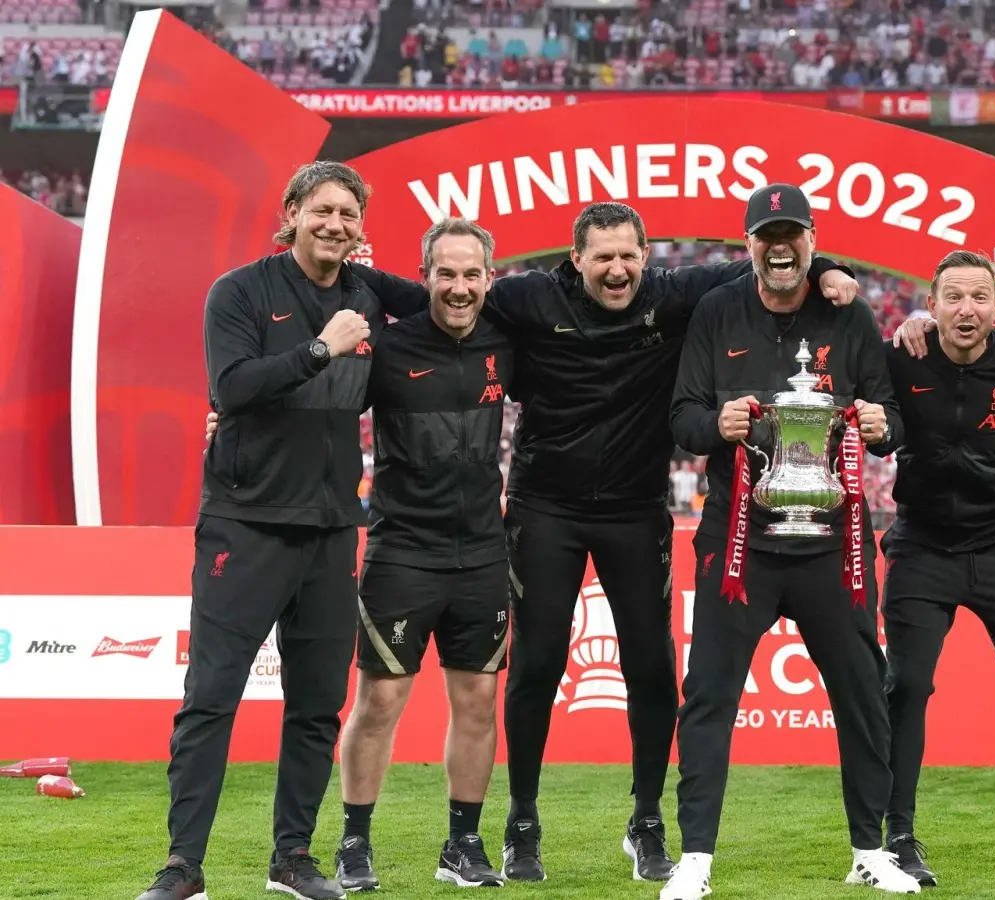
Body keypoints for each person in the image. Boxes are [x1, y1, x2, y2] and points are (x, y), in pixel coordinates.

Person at [351, 203, 860, 882]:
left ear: (646, 257)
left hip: (634, 508)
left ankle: (646, 820)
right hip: (545, 508)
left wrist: (825, 268)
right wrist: (362, 281)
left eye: (629, 256)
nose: (617, 270)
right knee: (536, 667)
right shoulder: (526, 297)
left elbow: (766, 265)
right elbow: (442, 292)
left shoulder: (675, 294)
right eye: (603, 257)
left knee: (651, 667)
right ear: (576, 257)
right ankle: (521, 822)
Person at [662, 184, 920, 899]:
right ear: (749, 245)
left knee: (863, 695)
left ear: (810, 240)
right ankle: (695, 860)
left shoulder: (849, 311)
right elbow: (682, 416)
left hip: (833, 540)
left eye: (793, 235)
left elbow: (895, 420)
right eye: (766, 236)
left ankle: (870, 849)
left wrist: (876, 423)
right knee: (709, 695)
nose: (780, 248)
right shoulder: (718, 311)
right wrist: (721, 425)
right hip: (739, 536)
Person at [138, 161, 382, 900]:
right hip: (244, 527)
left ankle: (292, 860)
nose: (335, 224)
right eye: (323, 210)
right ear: (292, 212)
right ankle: (183, 866)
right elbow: (232, 387)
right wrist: (322, 348)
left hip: (334, 530)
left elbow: (448, 299)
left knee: (316, 707)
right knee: (210, 698)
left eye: (348, 213)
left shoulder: (368, 298)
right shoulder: (240, 291)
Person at [877, 250, 995, 888]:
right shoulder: (901, 354)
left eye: (980, 297)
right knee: (905, 686)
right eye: (953, 297)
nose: (967, 309)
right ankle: (898, 836)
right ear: (931, 303)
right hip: (921, 544)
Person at [334, 217, 515, 890]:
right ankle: (355, 843)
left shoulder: (506, 338)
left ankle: (463, 846)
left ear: (489, 279)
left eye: (472, 274)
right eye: (447, 273)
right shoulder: (386, 346)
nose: (460, 287)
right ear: (425, 277)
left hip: (484, 556)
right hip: (402, 549)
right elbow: (321, 408)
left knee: (476, 703)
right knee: (379, 701)